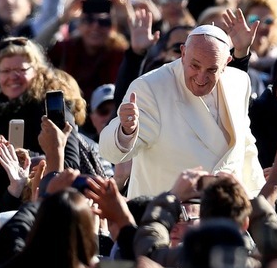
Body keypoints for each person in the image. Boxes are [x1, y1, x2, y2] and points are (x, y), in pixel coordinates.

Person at [99, 23, 265, 198]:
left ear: (226, 63)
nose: (201, 77)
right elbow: (111, 153)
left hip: (226, 213)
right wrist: (126, 131)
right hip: (169, 214)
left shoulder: (239, 81)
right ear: (183, 53)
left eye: (212, 70)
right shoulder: (151, 87)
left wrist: (260, 202)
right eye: (195, 66)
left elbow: (245, 148)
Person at [0, 37, 81, 183]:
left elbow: (71, 164)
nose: (12, 77)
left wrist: (28, 158)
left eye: (21, 70)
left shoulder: (50, 107)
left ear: (36, 70)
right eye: (6, 71)